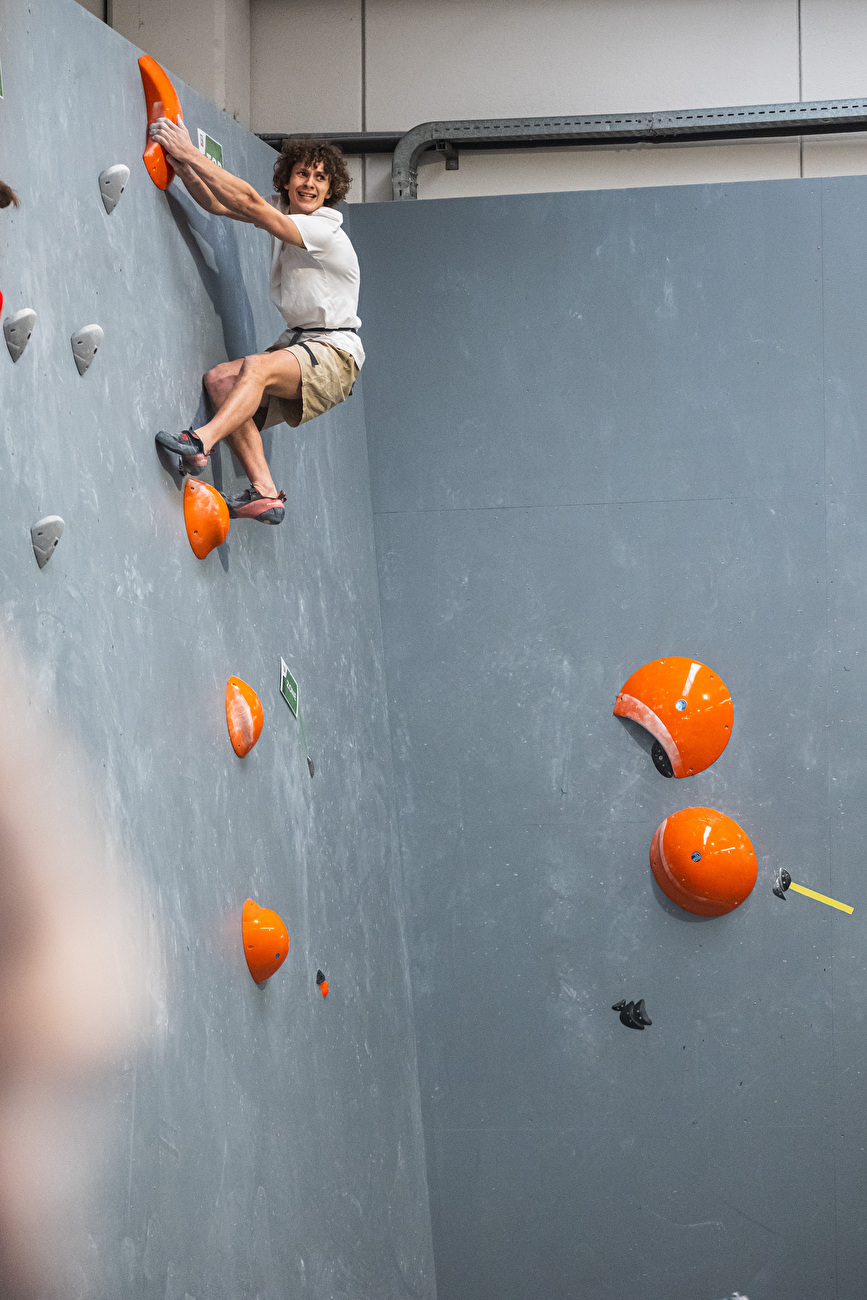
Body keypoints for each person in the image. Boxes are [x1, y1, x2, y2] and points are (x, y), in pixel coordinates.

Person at [150, 118, 363, 525]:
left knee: (256, 367)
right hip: (303, 343)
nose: (309, 183)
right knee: (221, 382)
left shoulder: (323, 230)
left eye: (320, 178)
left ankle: (200, 442)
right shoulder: (285, 211)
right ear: (287, 180)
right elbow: (219, 204)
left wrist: (190, 150)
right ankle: (265, 494)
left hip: (335, 351)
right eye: (303, 173)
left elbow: (248, 201)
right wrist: (183, 169)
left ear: (331, 190)